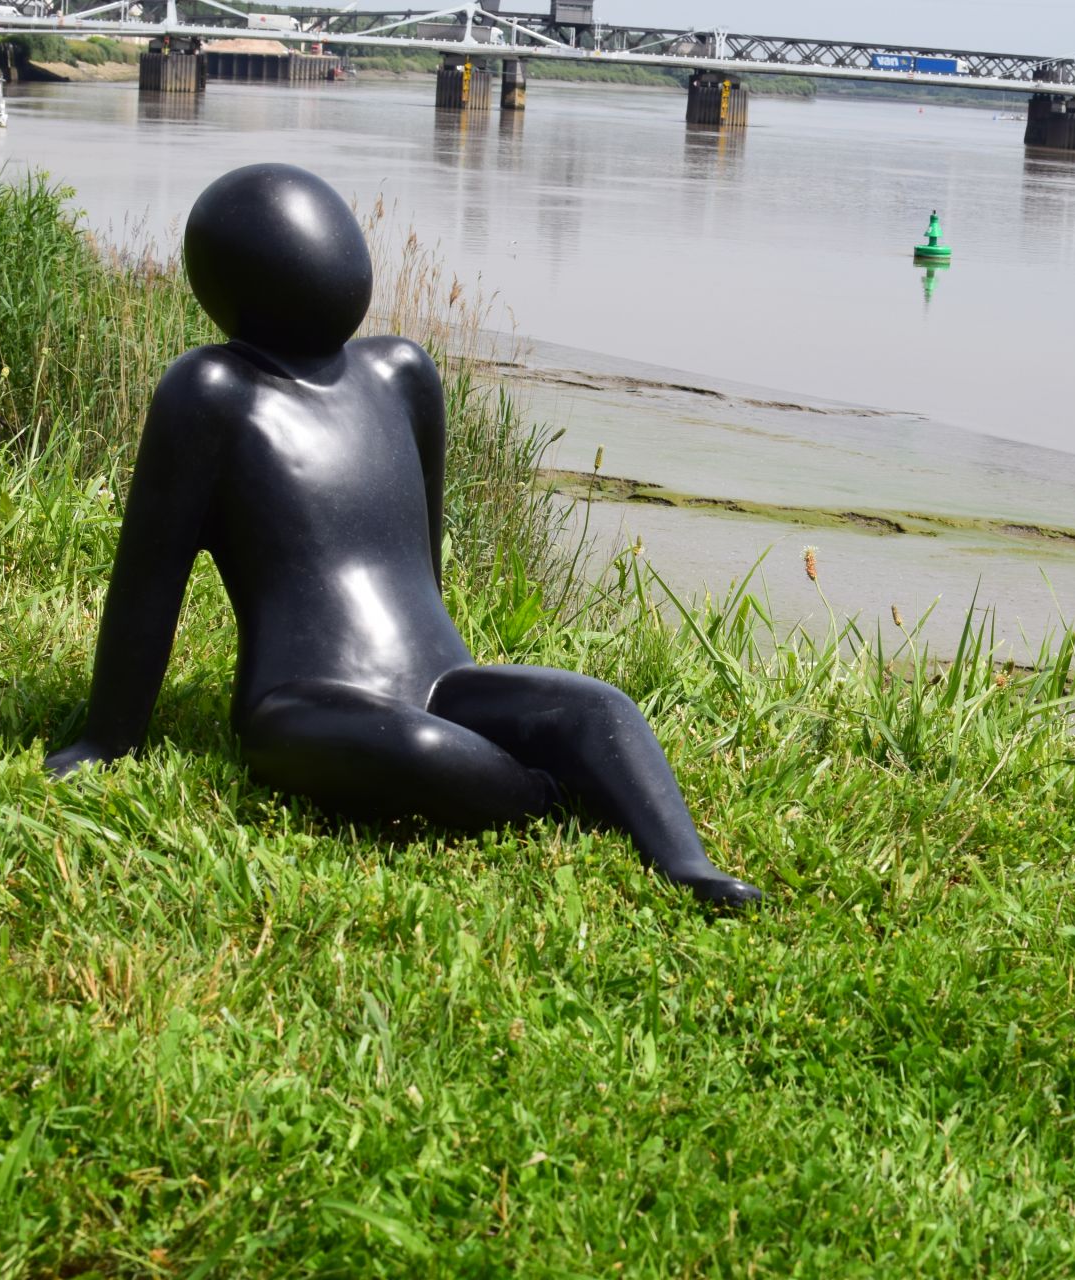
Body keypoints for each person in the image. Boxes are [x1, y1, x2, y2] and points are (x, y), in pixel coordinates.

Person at [46, 163, 760, 908]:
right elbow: (148, 583)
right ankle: (541, 798)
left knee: (600, 708)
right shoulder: (211, 393)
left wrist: (475, 687)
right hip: (301, 700)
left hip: (441, 680)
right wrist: (107, 738)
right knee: (419, 746)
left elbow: (424, 561)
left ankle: (686, 864)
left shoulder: (400, 372)